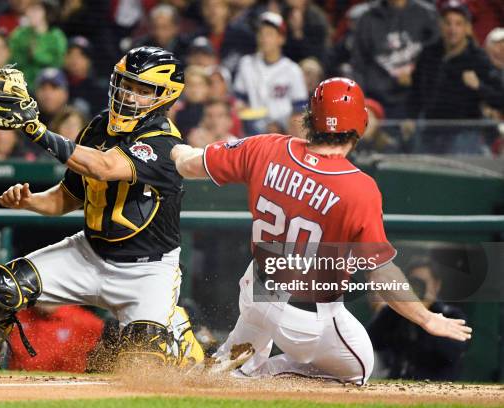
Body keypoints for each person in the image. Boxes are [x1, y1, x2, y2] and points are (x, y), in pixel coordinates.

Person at [0, 46, 203, 378]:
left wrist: (35, 130)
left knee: (142, 370)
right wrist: (29, 201)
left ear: (165, 96)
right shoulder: (99, 126)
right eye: (126, 84)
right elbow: (67, 198)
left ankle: (176, 332)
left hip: (148, 272)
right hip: (90, 253)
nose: (130, 95)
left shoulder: (164, 142)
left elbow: (102, 167)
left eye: (143, 90)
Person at [171, 77, 472, 384]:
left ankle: (220, 370)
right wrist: (427, 318)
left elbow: (191, 164)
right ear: (360, 124)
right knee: (359, 369)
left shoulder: (267, 147)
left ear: (310, 118)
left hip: (257, 287)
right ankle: (254, 377)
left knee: (239, 352)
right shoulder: (360, 188)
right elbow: (381, 273)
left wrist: (172, 148)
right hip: (306, 317)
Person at [408, 1, 503, 154]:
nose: (452, 29)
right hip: (429, 130)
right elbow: (415, 91)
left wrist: (479, 86)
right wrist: (410, 117)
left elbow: (500, 99)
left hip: (464, 135)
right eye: (448, 23)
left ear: (467, 28)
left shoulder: (478, 59)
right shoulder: (429, 54)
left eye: (458, 24)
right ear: (440, 25)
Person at [368, 258, 468, 381]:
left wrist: (424, 316)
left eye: (424, 282)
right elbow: (372, 341)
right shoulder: (395, 312)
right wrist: (395, 308)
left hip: (436, 385)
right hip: (398, 384)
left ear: (436, 285)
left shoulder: (450, 314)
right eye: (414, 282)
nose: (418, 286)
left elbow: (452, 353)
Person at [233, 11, 308, 135]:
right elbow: (238, 99)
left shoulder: (292, 70)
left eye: (269, 34)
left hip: (283, 129)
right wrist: (239, 107)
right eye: (260, 33)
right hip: (251, 126)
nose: (263, 38)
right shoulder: (246, 63)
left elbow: (300, 109)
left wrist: (285, 127)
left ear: (281, 39)